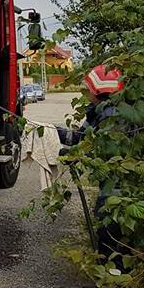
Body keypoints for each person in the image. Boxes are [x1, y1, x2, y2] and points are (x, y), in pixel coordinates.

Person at [57, 64, 123, 259]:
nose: (86, 93)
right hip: (110, 182)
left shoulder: (112, 119)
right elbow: (80, 138)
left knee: (109, 226)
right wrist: (53, 131)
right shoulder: (98, 111)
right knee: (104, 224)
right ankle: (107, 277)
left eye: (89, 89)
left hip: (117, 183)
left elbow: (102, 152)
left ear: (99, 91)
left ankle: (114, 282)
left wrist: (76, 156)